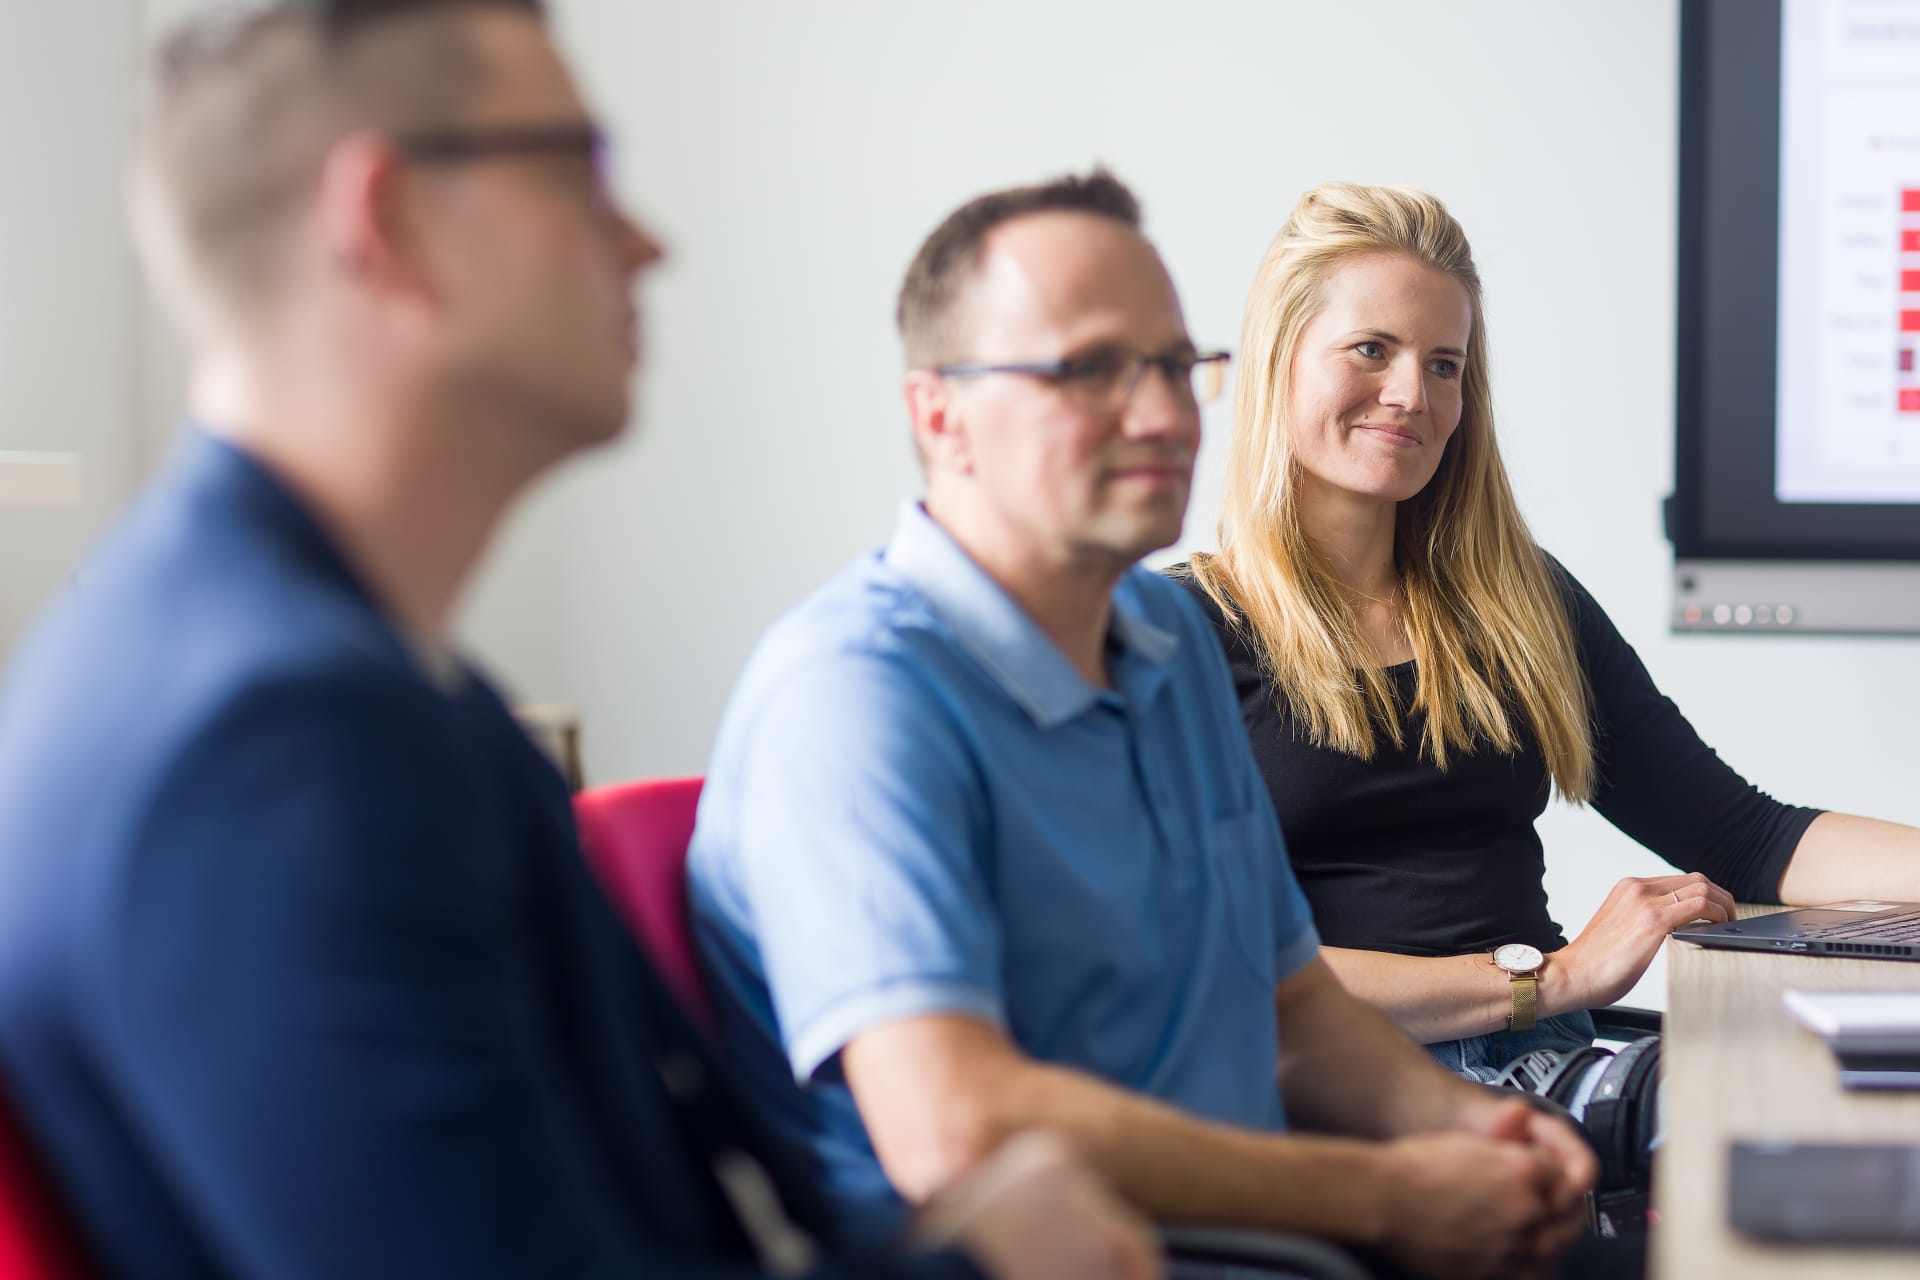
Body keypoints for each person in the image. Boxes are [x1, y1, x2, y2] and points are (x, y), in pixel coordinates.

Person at [0, 4, 1157, 1279]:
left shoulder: (365, 679)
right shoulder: (267, 749)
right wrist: (983, 1262)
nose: (647, 241)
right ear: (392, 220)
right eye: (576, 169)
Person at [688, 170, 1602, 1280]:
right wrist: (1385, 1192)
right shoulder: (854, 692)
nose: (1167, 414)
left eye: (1174, 366)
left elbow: (1293, 1008)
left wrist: (1471, 1132)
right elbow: (953, 1124)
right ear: (942, 415)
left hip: (1280, 1233)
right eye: (1090, 370)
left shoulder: (1163, 641)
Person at [1177, 180, 1920, 1102]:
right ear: (1278, 360)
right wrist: (1549, 979)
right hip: (1337, 1100)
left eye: (1444, 364)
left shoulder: (1517, 602)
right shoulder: (1181, 636)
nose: (1411, 393)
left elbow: (1743, 834)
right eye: (1372, 349)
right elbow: (1210, 968)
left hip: (1547, 1071)